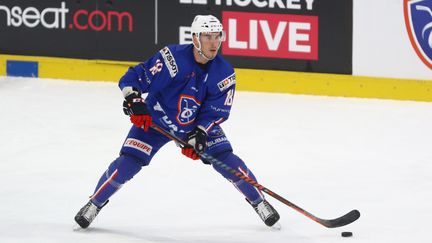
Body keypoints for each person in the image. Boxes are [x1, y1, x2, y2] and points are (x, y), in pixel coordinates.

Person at [74, 15, 280, 229]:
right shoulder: (172, 58)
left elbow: (216, 111)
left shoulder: (224, 73)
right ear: (195, 38)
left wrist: (200, 133)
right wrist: (134, 100)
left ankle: (259, 202)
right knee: (128, 163)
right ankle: (94, 203)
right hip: (155, 120)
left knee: (227, 161)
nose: (213, 42)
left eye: (217, 36)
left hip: (193, 126)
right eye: (207, 36)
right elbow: (136, 76)